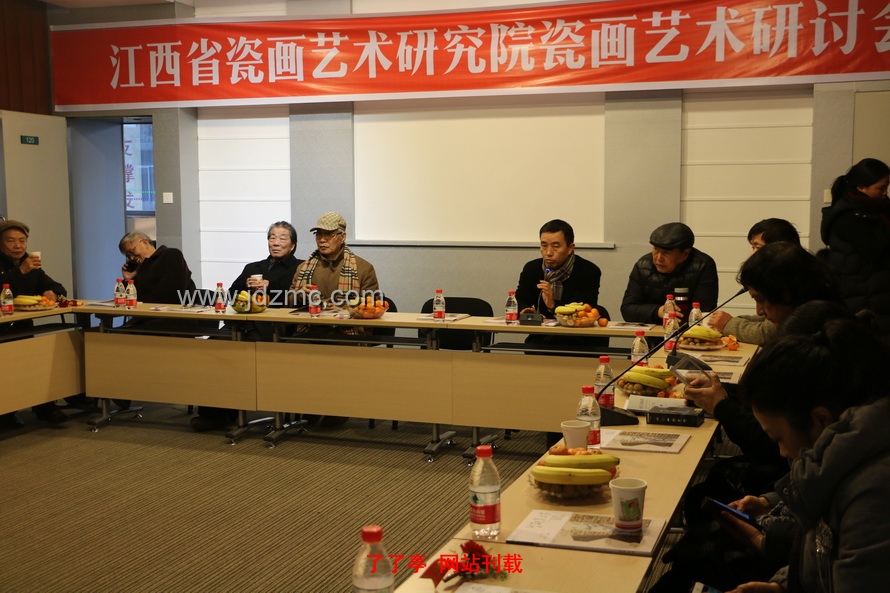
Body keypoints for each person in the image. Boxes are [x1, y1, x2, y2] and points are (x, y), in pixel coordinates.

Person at [725, 313, 890, 593]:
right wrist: (783, 587)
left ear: (820, 420)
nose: (782, 452)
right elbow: (825, 557)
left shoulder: (873, 496)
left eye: (778, 438)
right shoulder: (835, 466)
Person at [191, 222, 302, 432]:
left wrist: (270, 287)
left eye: (282, 238)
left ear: (293, 245)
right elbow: (232, 294)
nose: (275, 242)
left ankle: (235, 409)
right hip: (241, 323)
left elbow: (297, 298)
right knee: (211, 350)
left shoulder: (300, 268)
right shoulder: (253, 268)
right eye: (272, 237)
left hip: (273, 329)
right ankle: (215, 413)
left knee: (237, 357)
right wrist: (245, 287)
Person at [289, 212, 380, 427]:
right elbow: (289, 299)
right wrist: (299, 295)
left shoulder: (362, 268)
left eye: (328, 235)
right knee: (290, 350)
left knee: (337, 352)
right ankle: (309, 407)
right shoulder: (304, 268)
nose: (322, 240)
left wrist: (346, 309)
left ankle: (336, 409)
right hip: (311, 330)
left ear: (342, 236)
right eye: (318, 234)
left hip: (347, 332)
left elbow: (371, 304)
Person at [0, 219, 70, 427]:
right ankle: (7, 412)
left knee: (36, 362)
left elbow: (58, 288)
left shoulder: (31, 264)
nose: (18, 246)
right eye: (11, 241)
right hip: (2, 330)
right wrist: (20, 271)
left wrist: (53, 294)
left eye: (22, 241)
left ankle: (45, 406)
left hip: (22, 328)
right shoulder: (21, 266)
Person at [820, 157, 890, 346]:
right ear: (861, 187)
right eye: (881, 188)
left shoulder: (876, 210)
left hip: (877, 293)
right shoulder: (849, 216)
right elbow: (873, 250)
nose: (885, 193)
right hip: (864, 297)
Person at [708, 218, 801, 345]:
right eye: (753, 247)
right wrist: (732, 320)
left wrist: (728, 323)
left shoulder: (792, 279)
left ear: (779, 248)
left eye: (758, 247)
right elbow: (766, 320)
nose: (752, 255)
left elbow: (767, 333)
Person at [515, 219, 604, 351]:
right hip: (541, 338)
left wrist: (553, 305)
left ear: (570, 248)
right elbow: (521, 299)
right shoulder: (532, 269)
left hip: (578, 340)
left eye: (555, 246)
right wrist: (526, 311)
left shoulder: (588, 271)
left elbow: (585, 310)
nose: (548, 252)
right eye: (544, 245)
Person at [620, 222, 718, 324]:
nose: (658, 258)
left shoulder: (703, 265)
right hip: (652, 331)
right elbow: (627, 309)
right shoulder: (643, 265)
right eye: (656, 249)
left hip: (688, 331)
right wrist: (660, 311)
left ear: (685, 253)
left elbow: (704, 313)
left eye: (666, 252)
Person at [119, 231, 197, 305]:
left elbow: (172, 291)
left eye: (132, 251)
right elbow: (126, 299)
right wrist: (128, 280)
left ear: (145, 243)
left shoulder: (170, 255)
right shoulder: (137, 269)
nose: (131, 258)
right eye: (127, 255)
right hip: (146, 311)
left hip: (173, 311)